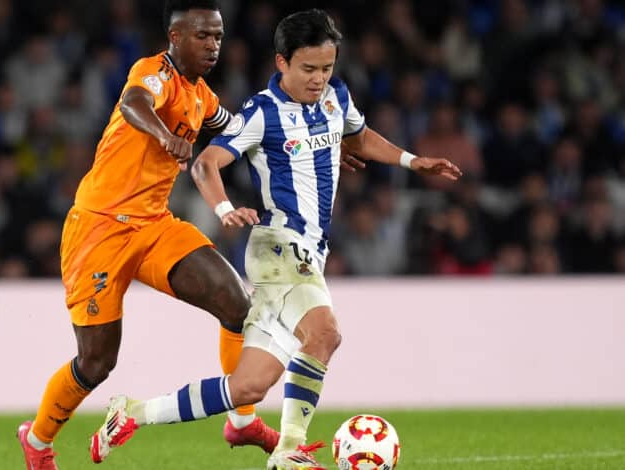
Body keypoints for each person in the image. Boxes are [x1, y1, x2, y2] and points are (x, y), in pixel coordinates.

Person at [92, 9, 462, 470]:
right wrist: (225, 209)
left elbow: (359, 136)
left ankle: (132, 412)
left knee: (248, 386)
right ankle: (288, 451)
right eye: (308, 68)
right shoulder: (261, 111)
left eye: (327, 68)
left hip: (308, 252)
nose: (318, 78)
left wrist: (411, 161)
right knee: (325, 334)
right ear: (282, 62)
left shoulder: (335, 98)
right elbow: (206, 163)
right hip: (279, 246)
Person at [16, 2, 280, 469]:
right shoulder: (153, 72)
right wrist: (164, 135)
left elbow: (239, 134)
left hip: (154, 225)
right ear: (176, 38)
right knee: (97, 363)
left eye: (218, 37)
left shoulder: (203, 98)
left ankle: (241, 421)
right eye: (203, 36)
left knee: (239, 305)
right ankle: (37, 442)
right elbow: (132, 103)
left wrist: (301, 150)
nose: (214, 46)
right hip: (99, 228)